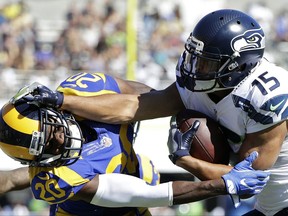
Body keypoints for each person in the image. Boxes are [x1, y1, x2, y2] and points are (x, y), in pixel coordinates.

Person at [24, 9, 288, 215]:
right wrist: (62, 101)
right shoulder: (202, 85)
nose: (195, 67)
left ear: (239, 65)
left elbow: (248, 179)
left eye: (207, 63)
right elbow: (133, 106)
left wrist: (186, 161)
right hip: (270, 207)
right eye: (195, 57)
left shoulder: (266, 97)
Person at [0, 72, 269, 216]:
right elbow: (151, 195)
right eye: (46, 148)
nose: (58, 140)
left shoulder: (82, 90)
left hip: (135, 177)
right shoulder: (56, 178)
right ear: (35, 160)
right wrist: (221, 186)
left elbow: (151, 97)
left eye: (52, 129)